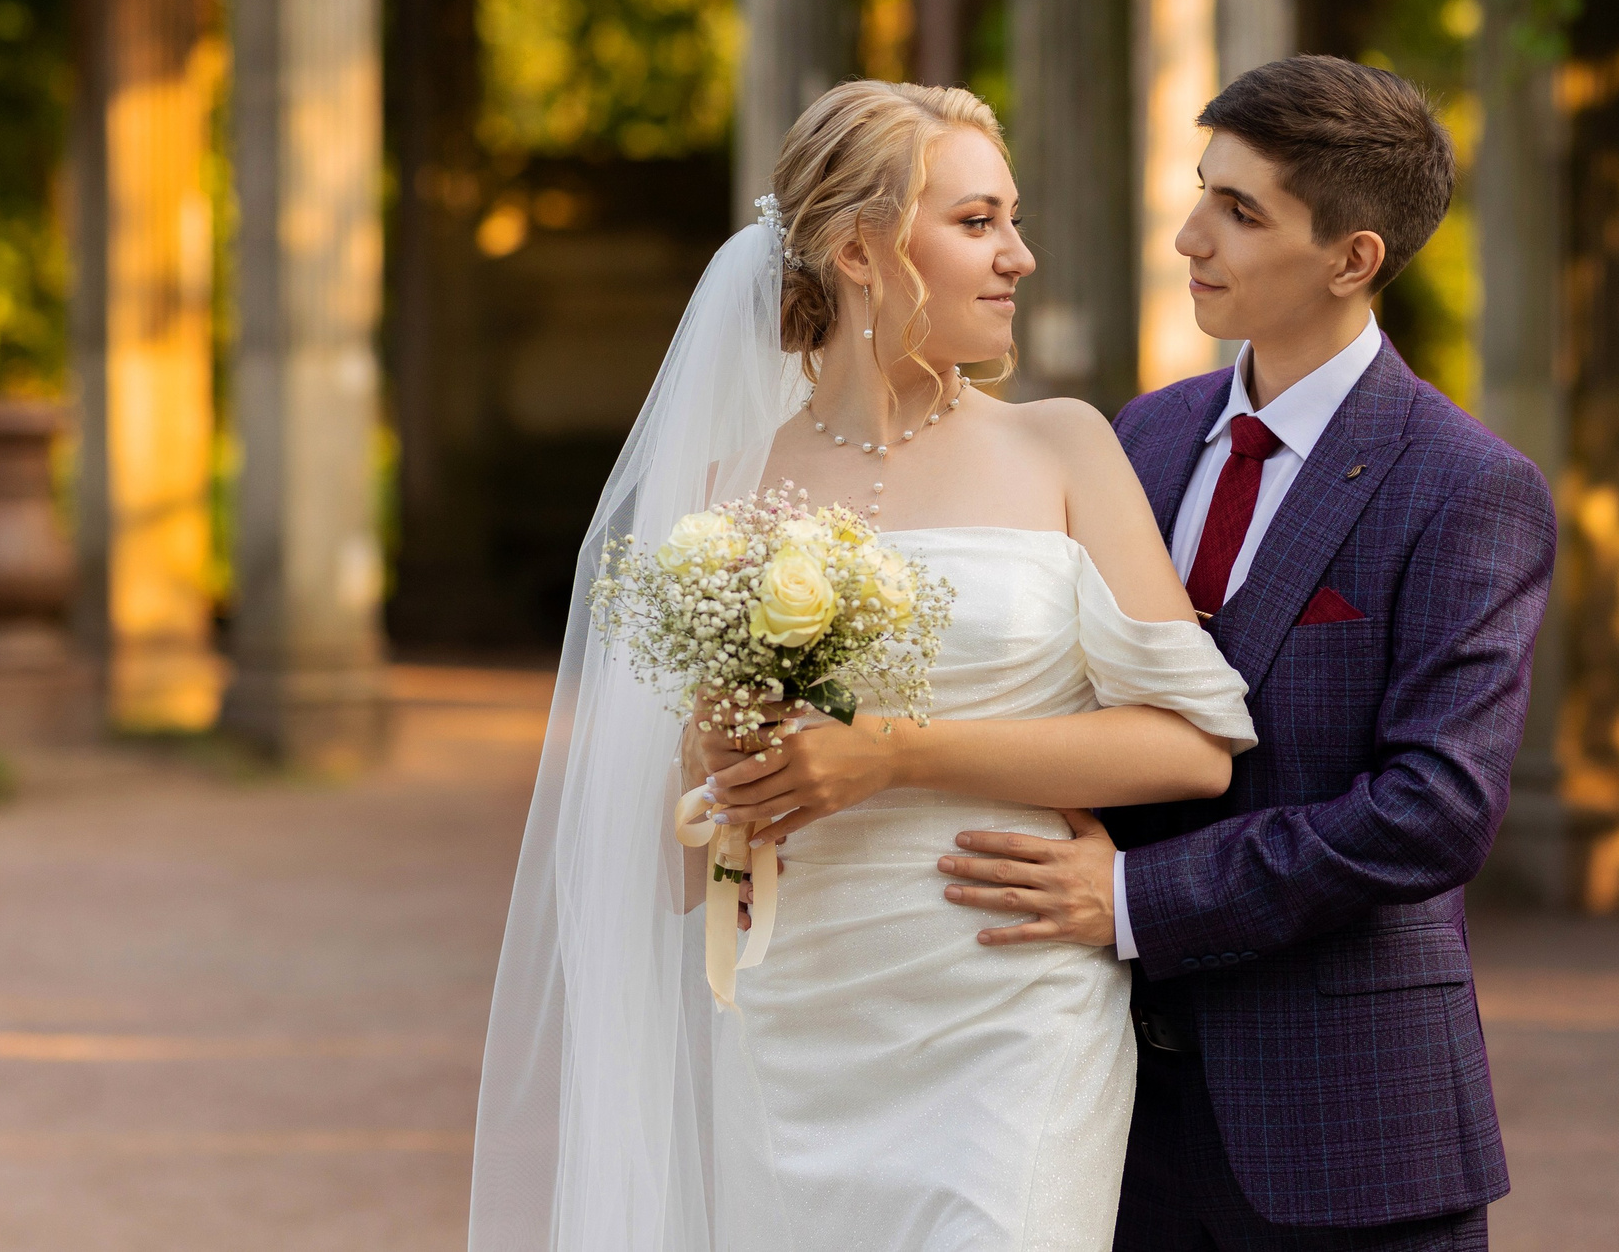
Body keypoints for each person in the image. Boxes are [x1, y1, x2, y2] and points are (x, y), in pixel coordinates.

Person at [467, 80, 1257, 1252]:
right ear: (856, 250)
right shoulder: (719, 486)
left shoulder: (1064, 446)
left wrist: (892, 753)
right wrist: (728, 760)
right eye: (977, 222)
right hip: (795, 1012)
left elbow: (1192, 752)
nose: (1018, 258)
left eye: (1013, 219)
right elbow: (676, 863)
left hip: (1011, 1001)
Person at [933, 55, 1557, 1251]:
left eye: (1239, 211)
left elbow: (1434, 810)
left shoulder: (1468, 487)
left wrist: (1131, 897)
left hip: (1346, 1128)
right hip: (1105, 1114)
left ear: (1352, 257)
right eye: (1199, 191)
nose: (1188, 236)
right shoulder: (1145, 437)